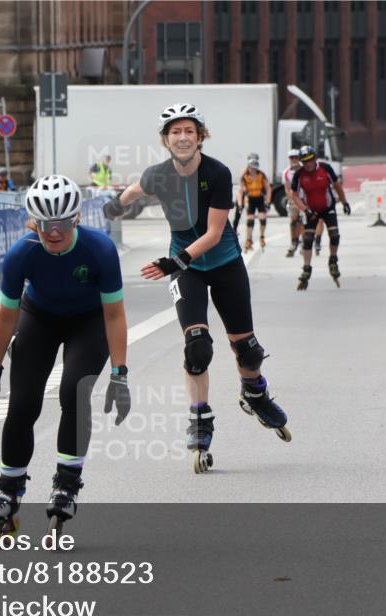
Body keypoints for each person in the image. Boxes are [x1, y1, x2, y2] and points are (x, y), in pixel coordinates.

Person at [102, 103, 290, 474]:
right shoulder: (157, 174)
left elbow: (215, 233)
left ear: (201, 136)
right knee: (197, 346)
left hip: (222, 263)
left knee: (247, 352)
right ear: (165, 139)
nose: (183, 137)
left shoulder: (218, 173)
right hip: (185, 270)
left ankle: (255, 393)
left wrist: (175, 261)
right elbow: (135, 191)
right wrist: (112, 207)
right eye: (176, 132)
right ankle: (200, 419)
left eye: (190, 131)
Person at [0, 174, 130, 536]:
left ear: (76, 218)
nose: (53, 232)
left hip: (88, 323)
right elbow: (6, 317)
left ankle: (66, 485)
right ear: (33, 221)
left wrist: (120, 373)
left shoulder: (99, 249)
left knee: (74, 391)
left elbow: (114, 315)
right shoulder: (21, 254)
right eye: (44, 224)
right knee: (24, 403)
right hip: (39, 318)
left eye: (61, 223)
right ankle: (8, 491)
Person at [290, 145, 351, 290]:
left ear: (315, 158)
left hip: (327, 207)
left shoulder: (325, 168)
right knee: (308, 240)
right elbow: (294, 195)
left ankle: (333, 260)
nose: (308, 164)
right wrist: (305, 209)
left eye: (310, 160)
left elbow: (337, 186)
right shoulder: (299, 174)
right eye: (304, 162)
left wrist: (344, 203)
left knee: (334, 235)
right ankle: (306, 268)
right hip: (311, 210)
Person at [238, 157, 271, 252]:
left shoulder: (261, 175)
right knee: (250, 220)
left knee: (262, 218)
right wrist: (240, 204)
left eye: (255, 168)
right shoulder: (244, 176)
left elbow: (268, 188)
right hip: (250, 198)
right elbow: (240, 191)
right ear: (248, 167)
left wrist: (268, 202)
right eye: (251, 168)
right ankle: (248, 239)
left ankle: (262, 237)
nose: (253, 170)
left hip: (259, 198)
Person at [282, 148, 303, 258]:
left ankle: (303, 243)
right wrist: (293, 199)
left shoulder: (303, 170)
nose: (294, 159)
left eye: (296, 157)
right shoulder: (286, 172)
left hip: (303, 199)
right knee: (293, 221)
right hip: (293, 200)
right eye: (292, 158)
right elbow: (287, 188)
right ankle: (293, 241)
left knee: (303, 221)